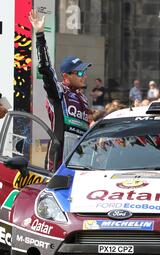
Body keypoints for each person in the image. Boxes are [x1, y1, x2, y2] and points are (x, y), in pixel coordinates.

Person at [29, 9, 92, 162]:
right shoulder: (59, 92)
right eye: (79, 73)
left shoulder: (82, 98)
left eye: (84, 71)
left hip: (81, 161)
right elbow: (46, 69)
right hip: (60, 160)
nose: (83, 76)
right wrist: (39, 34)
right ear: (66, 76)